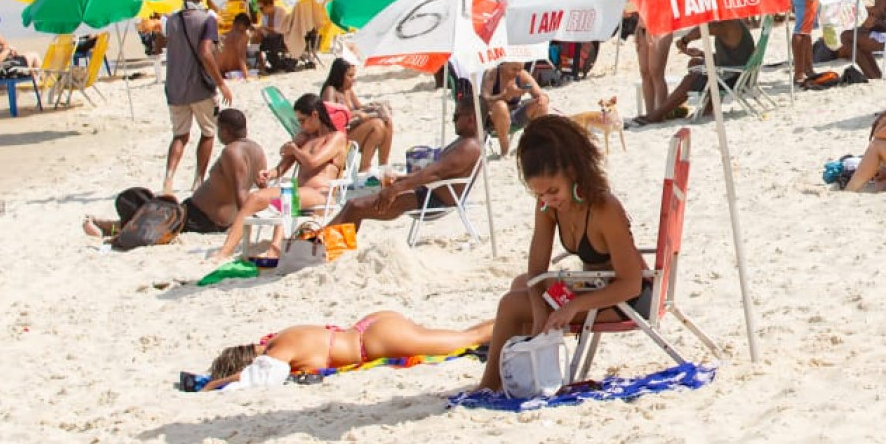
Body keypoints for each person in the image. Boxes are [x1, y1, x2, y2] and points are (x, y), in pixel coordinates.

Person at [478, 115, 651, 393]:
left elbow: (630, 283)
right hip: (594, 285)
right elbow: (536, 271)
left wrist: (571, 307)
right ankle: (526, 374)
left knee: (511, 305)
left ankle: (489, 385)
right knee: (522, 284)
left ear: (573, 171)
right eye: (540, 194)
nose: (547, 200)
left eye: (552, 191)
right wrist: (538, 314)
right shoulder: (548, 206)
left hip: (627, 300)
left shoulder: (604, 207)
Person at [209, 94, 352, 262]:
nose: (301, 126)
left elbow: (313, 162)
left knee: (286, 197)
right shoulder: (305, 138)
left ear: (315, 115)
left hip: (321, 195)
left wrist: (295, 150)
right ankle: (226, 250)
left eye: (303, 120)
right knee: (254, 198)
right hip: (298, 193)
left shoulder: (336, 138)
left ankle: (275, 249)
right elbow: (281, 168)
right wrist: (270, 174)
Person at [87, 107, 266, 240]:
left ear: (225, 130)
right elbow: (261, 186)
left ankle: (113, 229)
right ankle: (114, 227)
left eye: (218, 128)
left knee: (136, 200)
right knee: (155, 205)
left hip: (202, 218)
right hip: (204, 215)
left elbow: (240, 191)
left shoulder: (231, 152)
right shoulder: (257, 150)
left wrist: (242, 230)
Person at [195, 311, 494, 390]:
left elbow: (262, 377)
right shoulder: (282, 336)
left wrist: (217, 384)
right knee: (465, 335)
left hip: (374, 341)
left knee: (469, 338)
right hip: (371, 328)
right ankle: (517, 321)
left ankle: (523, 318)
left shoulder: (277, 350)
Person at [334, 103, 482, 230]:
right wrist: (402, 178)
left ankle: (323, 247)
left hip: (430, 199)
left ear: (471, 118)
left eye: (456, 116)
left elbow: (434, 174)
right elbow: (437, 172)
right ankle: (322, 243)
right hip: (427, 191)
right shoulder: (467, 141)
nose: (453, 120)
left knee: (355, 206)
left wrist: (395, 189)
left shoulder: (468, 146)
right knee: (353, 204)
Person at [161, 0, 233, 195]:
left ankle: (169, 179)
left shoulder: (170, 20)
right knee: (208, 132)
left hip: (174, 87)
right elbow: (205, 52)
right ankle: (198, 181)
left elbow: (160, 44)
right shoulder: (208, 19)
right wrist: (221, 83)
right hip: (200, 86)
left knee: (180, 135)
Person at [649, 19, 754, 122]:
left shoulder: (728, 24)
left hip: (733, 78)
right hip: (738, 73)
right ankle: (707, 108)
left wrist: (685, 40)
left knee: (691, 79)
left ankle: (658, 114)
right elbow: (730, 59)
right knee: (694, 63)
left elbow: (704, 29)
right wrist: (701, 54)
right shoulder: (734, 23)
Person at [321, 57, 395, 168]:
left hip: (350, 130)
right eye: (349, 76)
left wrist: (374, 106)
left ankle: (383, 166)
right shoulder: (330, 91)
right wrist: (354, 114)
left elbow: (360, 107)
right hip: (337, 137)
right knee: (377, 125)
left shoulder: (347, 90)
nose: (353, 79)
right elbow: (330, 118)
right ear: (339, 75)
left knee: (387, 122)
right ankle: (365, 167)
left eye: (353, 76)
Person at [480, 61, 549, 154]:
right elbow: (484, 100)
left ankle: (533, 144)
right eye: (514, 69)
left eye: (519, 69)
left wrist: (543, 98)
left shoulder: (522, 74)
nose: (517, 73)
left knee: (541, 105)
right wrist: (504, 96)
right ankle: (505, 149)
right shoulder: (492, 74)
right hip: (495, 118)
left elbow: (541, 94)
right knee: (501, 106)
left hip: (515, 114)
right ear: (504, 64)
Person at [213, 11, 254, 79]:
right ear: (246, 27)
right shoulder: (242, 36)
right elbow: (241, 58)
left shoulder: (221, 36)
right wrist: (246, 76)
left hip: (219, 71)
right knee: (249, 65)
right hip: (232, 70)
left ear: (234, 23)